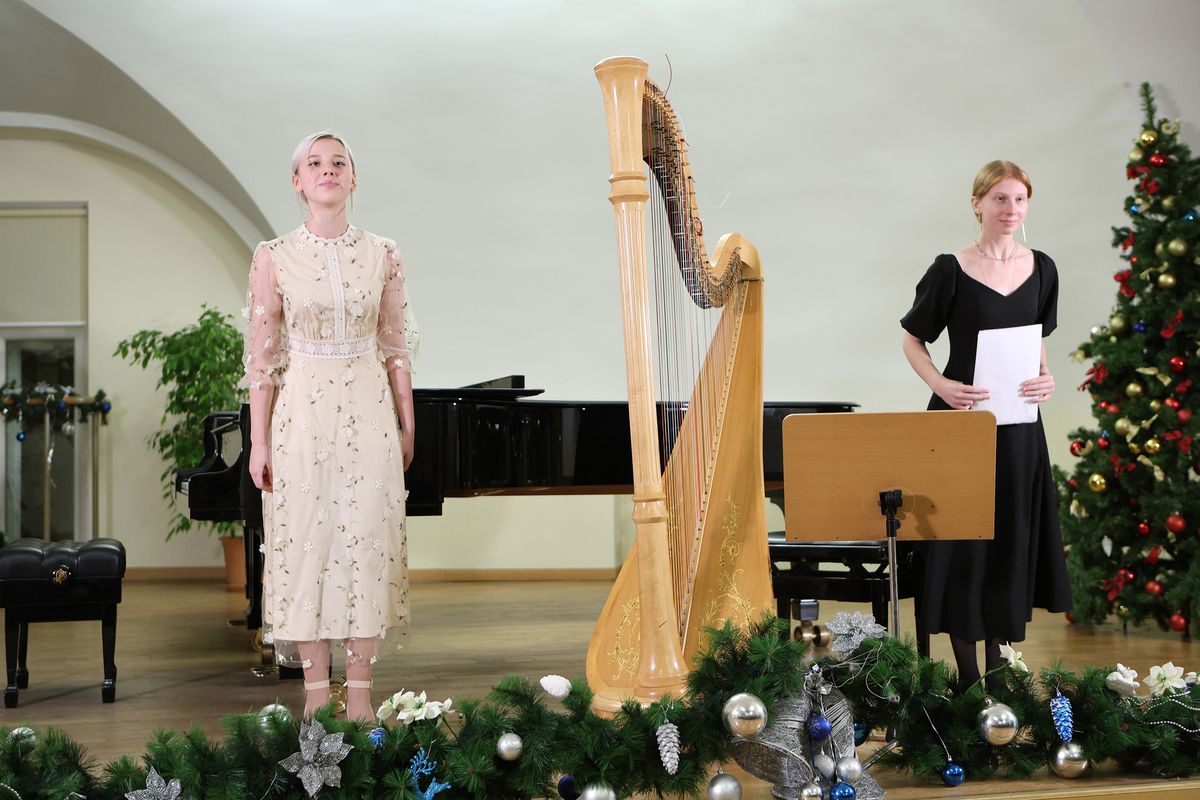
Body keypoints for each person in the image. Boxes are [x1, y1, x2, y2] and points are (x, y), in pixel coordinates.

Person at [242, 131, 418, 720]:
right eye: (315, 163)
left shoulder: (384, 253)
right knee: (305, 545)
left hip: (369, 414)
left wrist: (408, 424)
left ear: (353, 178)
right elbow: (262, 359)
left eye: (339, 162)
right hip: (301, 418)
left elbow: (395, 346)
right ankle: (317, 700)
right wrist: (258, 441)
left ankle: (361, 698)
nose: (328, 170)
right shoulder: (273, 256)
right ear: (298, 182)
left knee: (366, 541)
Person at [899, 160, 1071, 690]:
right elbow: (912, 339)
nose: (1010, 209)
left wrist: (1046, 378)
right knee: (963, 543)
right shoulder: (950, 269)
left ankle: (998, 668)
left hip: (1019, 427)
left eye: (1019, 199)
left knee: (1008, 539)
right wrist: (942, 386)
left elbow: (1035, 340)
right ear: (977, 204)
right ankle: (969, 677)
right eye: (999, 198)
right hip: (961, 426)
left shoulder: (1043, 268)